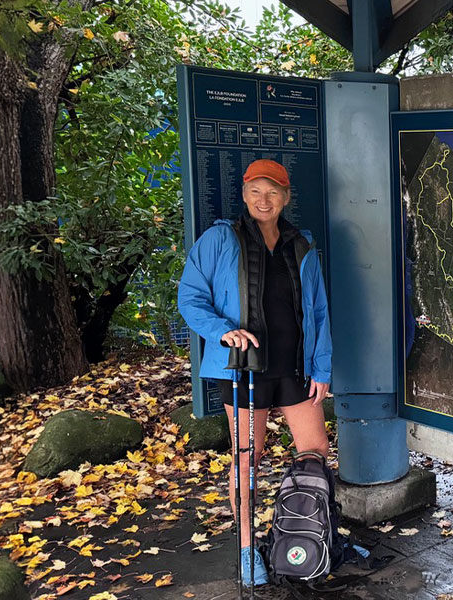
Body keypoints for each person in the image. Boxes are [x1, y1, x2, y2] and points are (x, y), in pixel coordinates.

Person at [178, 159, 332, 587]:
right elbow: (190, 297)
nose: (265, 200)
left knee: (315, 452)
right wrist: (223, 331)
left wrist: (321, 366)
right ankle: (248, 549)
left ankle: (317, 534)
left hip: (295, 366)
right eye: (256, 191)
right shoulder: (220, 238)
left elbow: (318, 309)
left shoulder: (301, 244)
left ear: (285, 197)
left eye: (273, 192)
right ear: (245, 194)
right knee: (248, 459)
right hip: (244, 370)